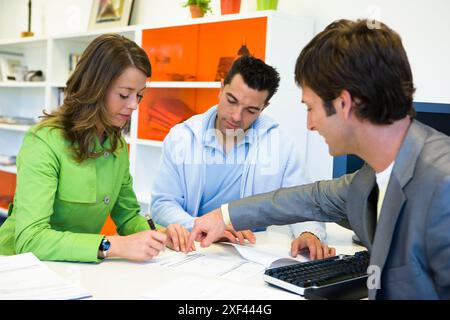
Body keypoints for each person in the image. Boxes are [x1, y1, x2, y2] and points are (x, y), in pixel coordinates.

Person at [188, 19, 450, 299]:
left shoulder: (442, 186)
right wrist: (224, 215)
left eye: (310, 108)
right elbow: (312, 198)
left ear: (343, 104)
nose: (309, 124)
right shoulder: (368, 179)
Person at [0, 33, 171, 263]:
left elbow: (128, 217)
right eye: (124, 94)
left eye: (139, 95)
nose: (134, 105)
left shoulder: (116, 145)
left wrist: (162, 234)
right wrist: (112, 245)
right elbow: (30, 239)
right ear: (94, 88)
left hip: (75, 270)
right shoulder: (43, 141)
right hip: (19, 269)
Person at [151, 55, 334, 259]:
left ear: (264, 108)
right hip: (193, 249)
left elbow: (301, 200)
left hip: (249, 253)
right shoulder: (182, 137)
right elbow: (162, 203)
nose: (237, 116)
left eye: (251, 110)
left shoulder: (279, 145)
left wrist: (308, 232)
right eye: (231, 101)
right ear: (221, 88)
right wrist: (204, 227)